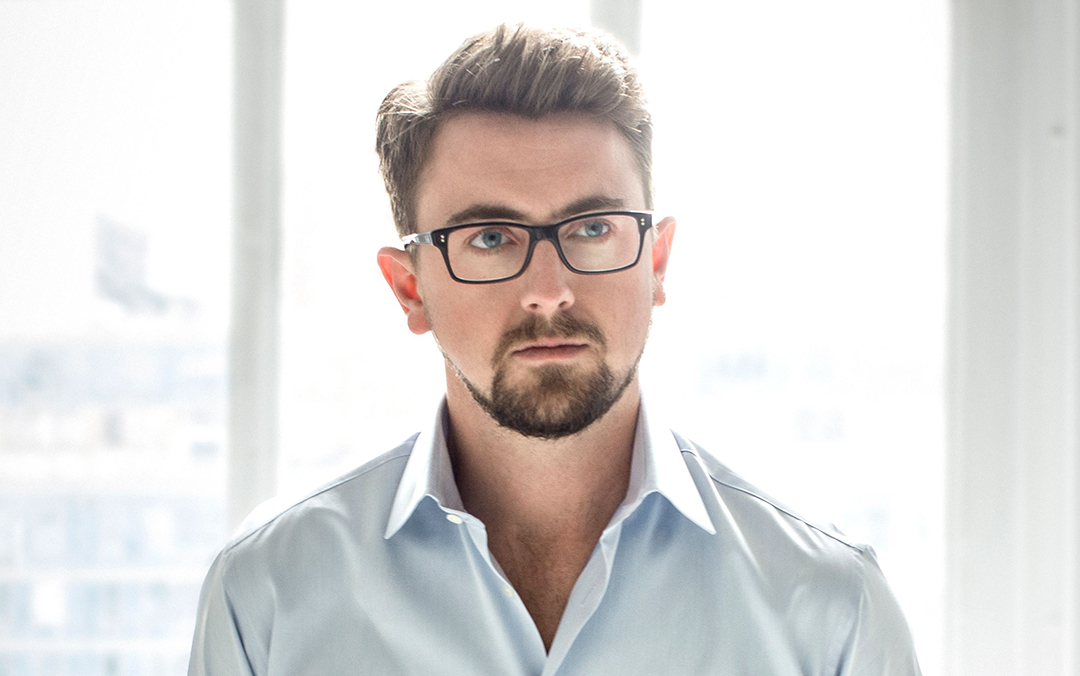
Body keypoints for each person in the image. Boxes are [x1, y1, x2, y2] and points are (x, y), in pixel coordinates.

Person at [189, 23, 922, 675]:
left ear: (656, 261)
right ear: (409, 288)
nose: (550, 289)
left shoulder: (829, 606)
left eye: (593, 229)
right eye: (489, 238)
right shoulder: (268, 597)